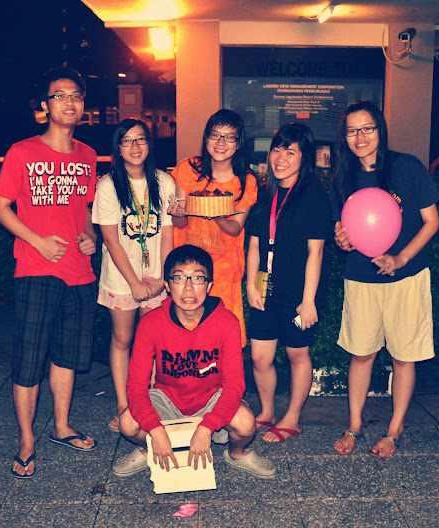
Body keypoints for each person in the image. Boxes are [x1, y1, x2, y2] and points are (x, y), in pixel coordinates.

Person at [0, 67, 98, 479]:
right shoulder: (22, 152)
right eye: (60, 95)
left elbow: (85, 208)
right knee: (29, 358)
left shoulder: (88, 156)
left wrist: (90, 237)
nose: (69, 102)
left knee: (68, 356)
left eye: (76, 96)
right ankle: (26, 441)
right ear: (45, 105)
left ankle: (61, 426)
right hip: (36, 268)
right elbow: (0, 207)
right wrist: (36, 241)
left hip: (79, 272)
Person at [330, 101, 439, 458]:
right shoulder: (343, 177)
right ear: (344, 137)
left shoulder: (406, 167)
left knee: (403, 357)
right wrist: (342, 241)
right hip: (361, 278)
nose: (360, 137)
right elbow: (343, 230)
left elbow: (432, 222)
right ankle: (354, 425)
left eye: (367, 128)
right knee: (361, 353)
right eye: (352, 131)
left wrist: (401, 258)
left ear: (380, 129)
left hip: (407, 277)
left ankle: (394, 430)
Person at [112, 245, 276, 479]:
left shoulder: (227, 322)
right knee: (128, 423)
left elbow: (235, 385)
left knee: (246, 423)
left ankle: (237, 454)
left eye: (198, 278)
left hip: (211, 397)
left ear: (209, 286)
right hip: (168, 398)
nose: (188, 287)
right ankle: (151, 448)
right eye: (179, 278)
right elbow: (136, 385)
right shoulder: (151, 323)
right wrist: (155, 429)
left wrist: (207, 427)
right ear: (167, 285)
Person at [246, 123, 333, 443]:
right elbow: (255, 243)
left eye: (290, 152)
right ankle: (267, 411)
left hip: (299, 294)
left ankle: (292, 418)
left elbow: (316, 252)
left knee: (297, 354)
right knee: (260, 357)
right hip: (266, 290)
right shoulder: (265, 192)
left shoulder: (313, 196)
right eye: (277, 150)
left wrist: (308, 301)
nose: (280, 158)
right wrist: (251, 285)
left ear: (304, 157)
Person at [92, 118, 174, 433]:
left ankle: (149, 402)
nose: (134, 146)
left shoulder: (163, 182)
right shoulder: (108, 185)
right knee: (123, 339)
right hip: (121, 278)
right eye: (126, 141)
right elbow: (110, 240)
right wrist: (134, 284)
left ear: (149, 144)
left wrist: (162, 278)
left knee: (152, 343)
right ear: (118, 148)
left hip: (155, 279)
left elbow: (167, 236)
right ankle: (123, 404)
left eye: (140, 139)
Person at [168, 109, 257, 346]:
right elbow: (180, 223)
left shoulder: (245, 181)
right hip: (187, 267)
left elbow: (236, 228)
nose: (221, 143)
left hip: (224, 270)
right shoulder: (187, 169)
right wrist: (178, 213)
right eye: (215, 135)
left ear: (239, 143)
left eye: (229, 137)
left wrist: (216, 215)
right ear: (206, 137)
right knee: (186, 336)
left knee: (221, 337)